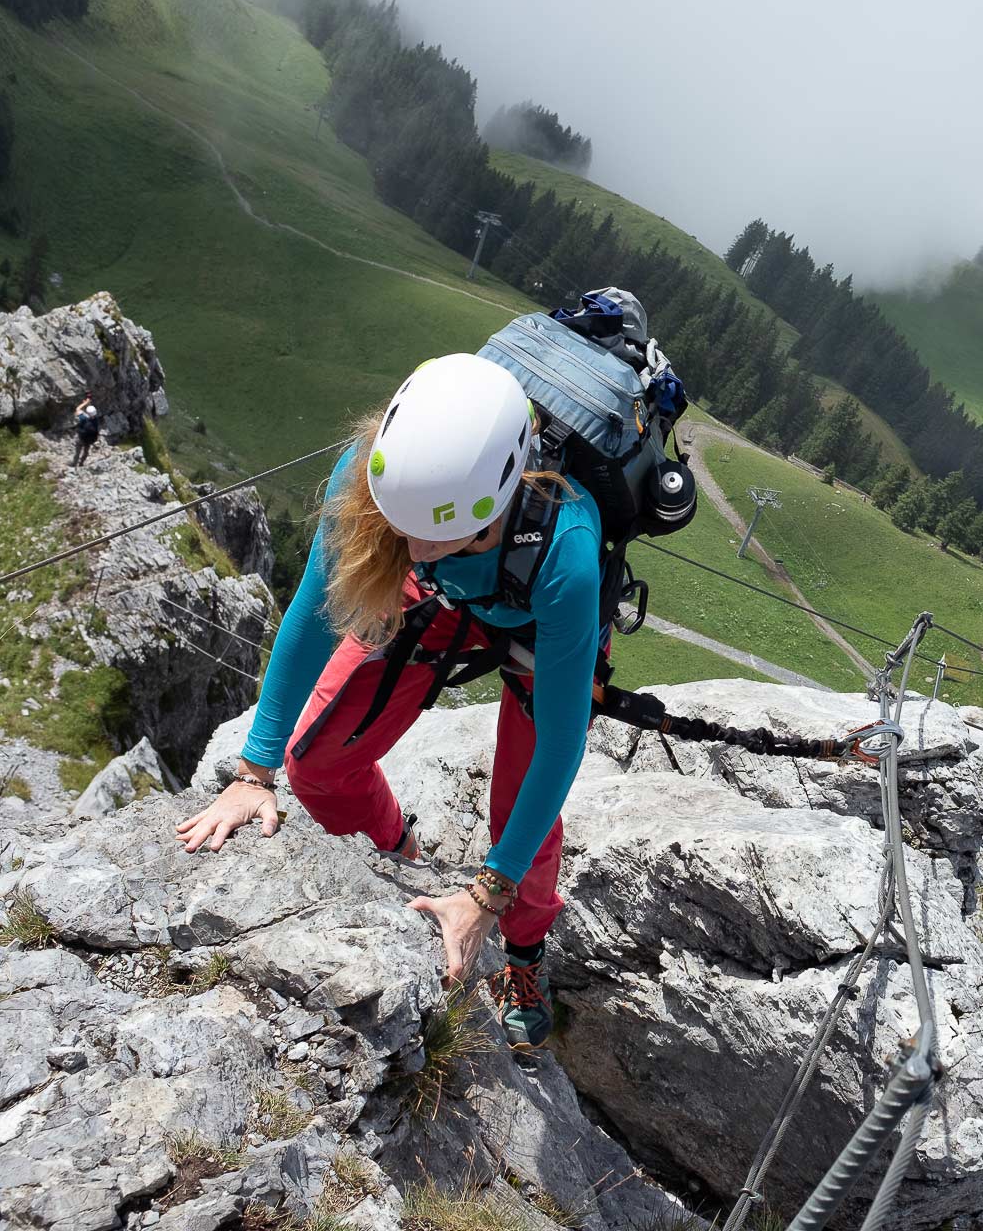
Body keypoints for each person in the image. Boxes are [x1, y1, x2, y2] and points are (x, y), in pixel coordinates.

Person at [173, 354, 605, 1051]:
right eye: (402, 524)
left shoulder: (566, 550)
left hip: (535, 612)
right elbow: (316, 613)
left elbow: (561, 742)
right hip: (440, 596)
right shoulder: (378, 477)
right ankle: (400, 853)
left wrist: (489, 888)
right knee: (315, 760)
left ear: (495, 502)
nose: (412, 543)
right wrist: (254, 773)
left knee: (520, 807)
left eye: (434, 532)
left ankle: (523, 950)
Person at [71, 393, 100, 467]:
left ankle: (74, 464)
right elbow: (90, 413)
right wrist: (88, 402)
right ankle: (81, 463)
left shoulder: (83, 418)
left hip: (81, 438)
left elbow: (78, 409)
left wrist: (85, 403)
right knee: (85, 452)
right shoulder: (95, 419)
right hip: (88, 440)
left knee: (77, 452)